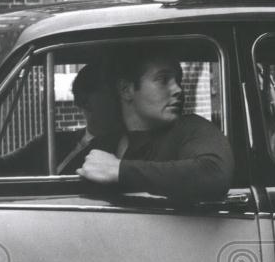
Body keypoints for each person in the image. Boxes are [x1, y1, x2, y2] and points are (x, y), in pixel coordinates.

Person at [77, 47, 233, 203]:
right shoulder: (104, 144)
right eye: (163, 80)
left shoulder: (192, 129)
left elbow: (214, 172)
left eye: (178, 80)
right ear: (126, 90)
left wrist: (119, 170)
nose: (178, 89)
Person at [0, 62, 118, 175]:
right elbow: (5, 166)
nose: (117, 99)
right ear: (83, 101)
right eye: (108, 92)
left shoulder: (120, 149)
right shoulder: (52, 141)